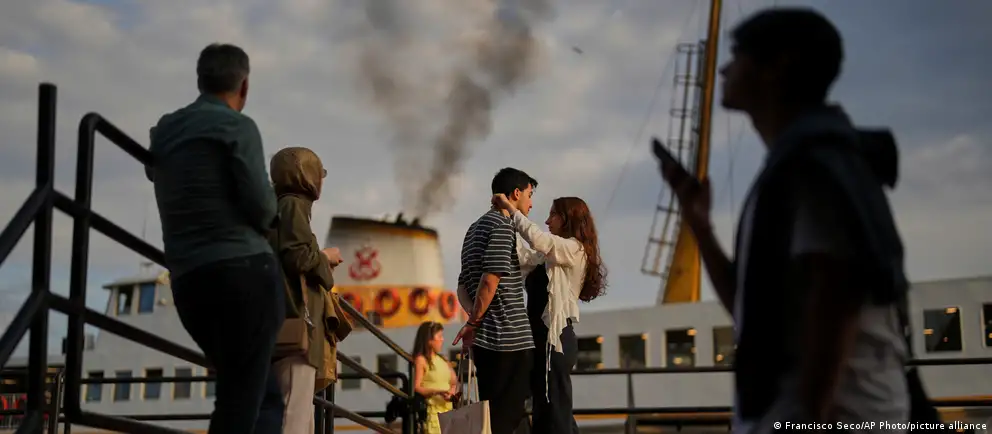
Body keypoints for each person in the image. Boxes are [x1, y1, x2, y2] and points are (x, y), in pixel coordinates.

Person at [655, 8, 910, 434]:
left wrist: (809, 418)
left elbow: (837, 293)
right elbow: (749, 309)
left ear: (778, 66)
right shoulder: (802, 166)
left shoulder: (813, 167)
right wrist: (699, 224)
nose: (724, 68)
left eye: (737, 54)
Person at [147, 43, 285, 433]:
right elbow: (263, 209)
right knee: (251, 401)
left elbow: (155, 170)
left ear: (200, 80)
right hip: (244, 273)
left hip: (189, 280)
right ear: (244, 86)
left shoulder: (165, 129)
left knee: (247, 392)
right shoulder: (238, 126)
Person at [491, 195, 607, 434]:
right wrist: (504, 220)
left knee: (555, 414)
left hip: (555, 342)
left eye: (553, 214)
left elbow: (539, 240)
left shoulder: (574, 249)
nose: (547, 220)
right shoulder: (549, 258)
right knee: (546, 413)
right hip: (540, 341)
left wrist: (511, 209)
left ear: (567, 219)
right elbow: (523, 256)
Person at [452, 167, 536, 434]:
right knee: (507, 420)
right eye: (530, 195)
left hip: (485, 342)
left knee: (495, 416)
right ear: (516, 193)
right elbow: (491, 279)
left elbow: (462, 285)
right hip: (509, 339)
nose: (531, 203)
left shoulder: (473, 229)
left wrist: (475, 321)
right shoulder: (502, 226)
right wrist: (474, 321)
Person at [267, 147, 343, 434]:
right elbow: (298, 256)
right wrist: (325, 259)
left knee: (298, 412)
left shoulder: (278, 207)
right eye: (318, 173)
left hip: (285, 317)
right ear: (305, 174)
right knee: (294, 412)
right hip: (297, 322)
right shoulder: (293, 205)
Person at [412, 321, 459, 434]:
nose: (442, 339)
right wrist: (437, 392)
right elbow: (417, 387)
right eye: (439, 336)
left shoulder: (444, 360)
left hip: (448, 411)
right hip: (433, 412)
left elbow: (455, 381)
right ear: (429, 339)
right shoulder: (421, 360)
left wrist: (452, 392)